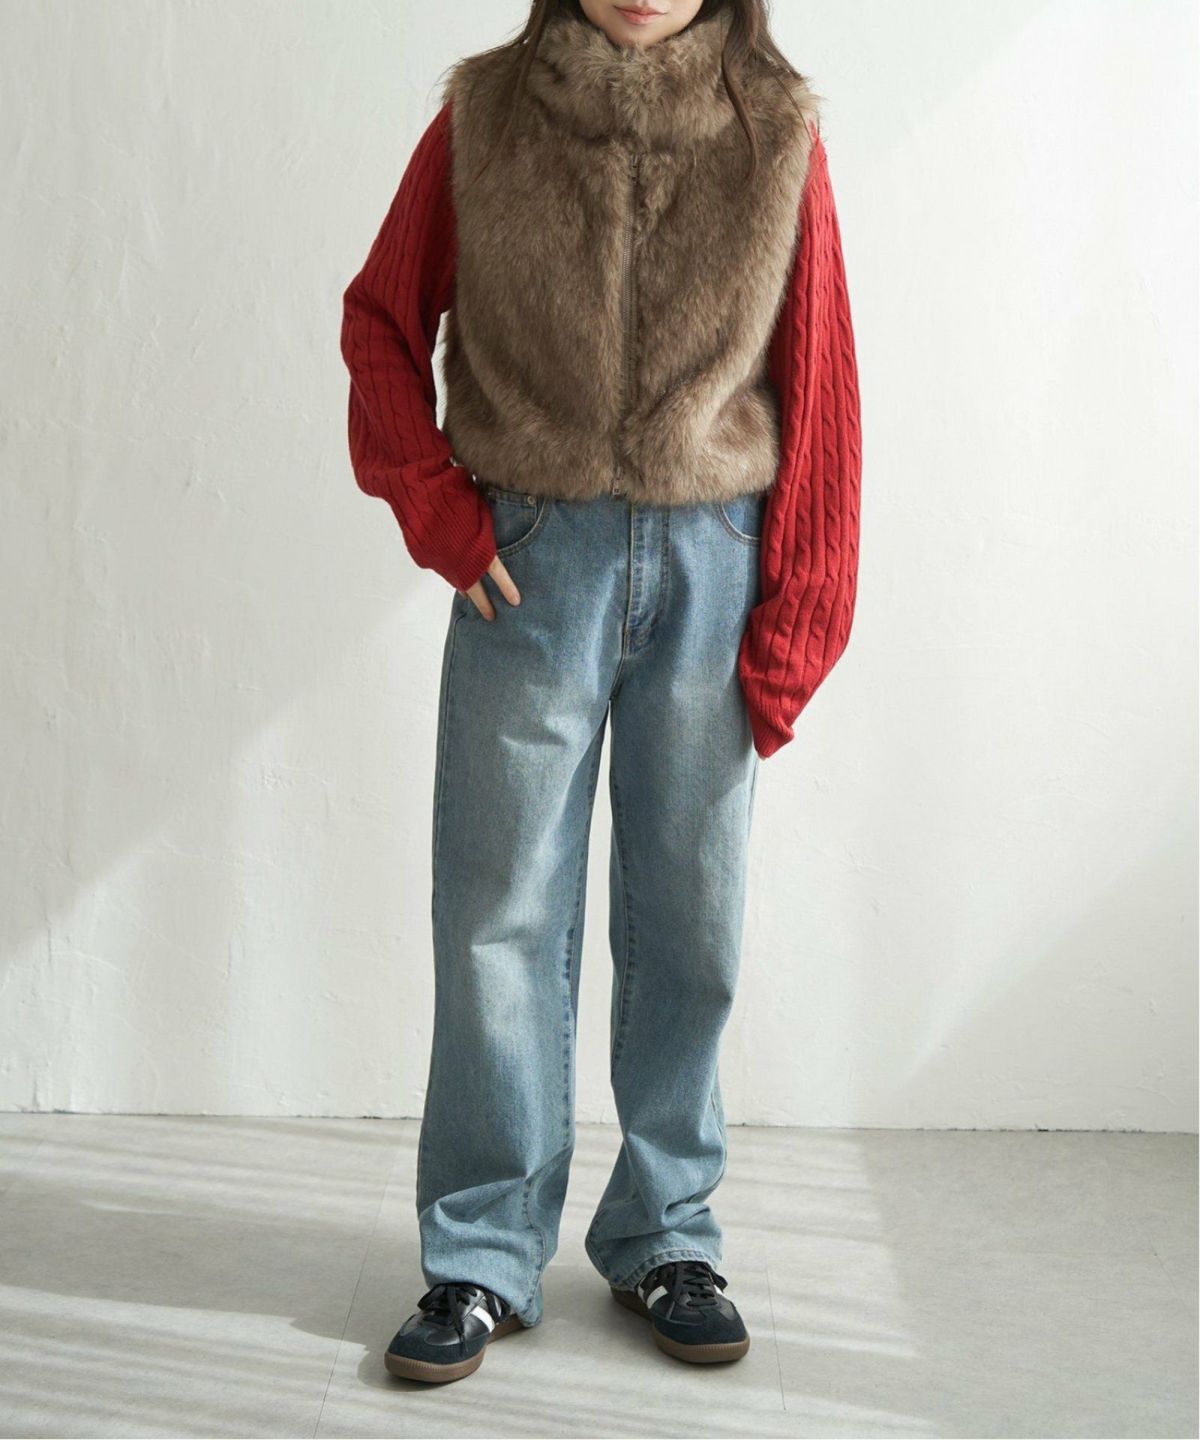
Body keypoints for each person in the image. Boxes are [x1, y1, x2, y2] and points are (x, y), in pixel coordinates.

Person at [339, 0, 861, 1384]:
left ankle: (667, 1230)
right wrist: (443, 515)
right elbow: (381, 318)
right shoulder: (484, 116)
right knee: (497, 913)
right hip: (530, 563)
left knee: (692, 918)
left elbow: (821, 383)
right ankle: (480, 1250)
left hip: (714, 566)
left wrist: (800, 616)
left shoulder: (778, 133)